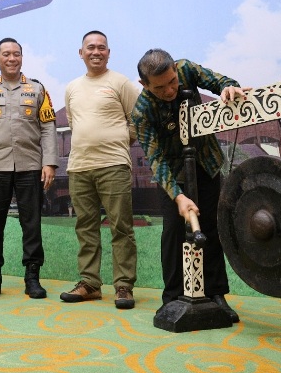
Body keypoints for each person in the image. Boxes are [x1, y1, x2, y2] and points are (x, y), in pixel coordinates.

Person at [132, 48, 246, 322]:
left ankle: (217, 294)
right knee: (173, 233)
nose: (170, 90)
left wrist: (229, 88)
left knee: (210, 228)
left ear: (175, 70)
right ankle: (171, 297)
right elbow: (155, 159)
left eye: (172, 82)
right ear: (144, 84)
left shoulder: (186, 69)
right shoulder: (141, 113)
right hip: (172, 175)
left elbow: (222, 81)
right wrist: (179, 197)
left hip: (205, 164)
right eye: (160, 87)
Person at [0, 38, 57, 299]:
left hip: (30, 166)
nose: (12, 58)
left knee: (32, 224)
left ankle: (32, 277)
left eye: (16, 54)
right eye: (6, 54)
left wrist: (49, 162)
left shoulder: (37, 89)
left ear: (22, 58)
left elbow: (48, 128)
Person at [60, 30, 140, 309]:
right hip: (79, 166)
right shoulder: (71, 87)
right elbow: (74, 122)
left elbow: (138, 119)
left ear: (109, 52)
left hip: (114, 165)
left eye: (102, 48)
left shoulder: (121, 83)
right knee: (85, 227)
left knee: (121, 227)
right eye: (90, 47)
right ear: (80, 52)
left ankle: (124, 286)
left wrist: (120, 139)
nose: (96, 52)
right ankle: (90, 284)